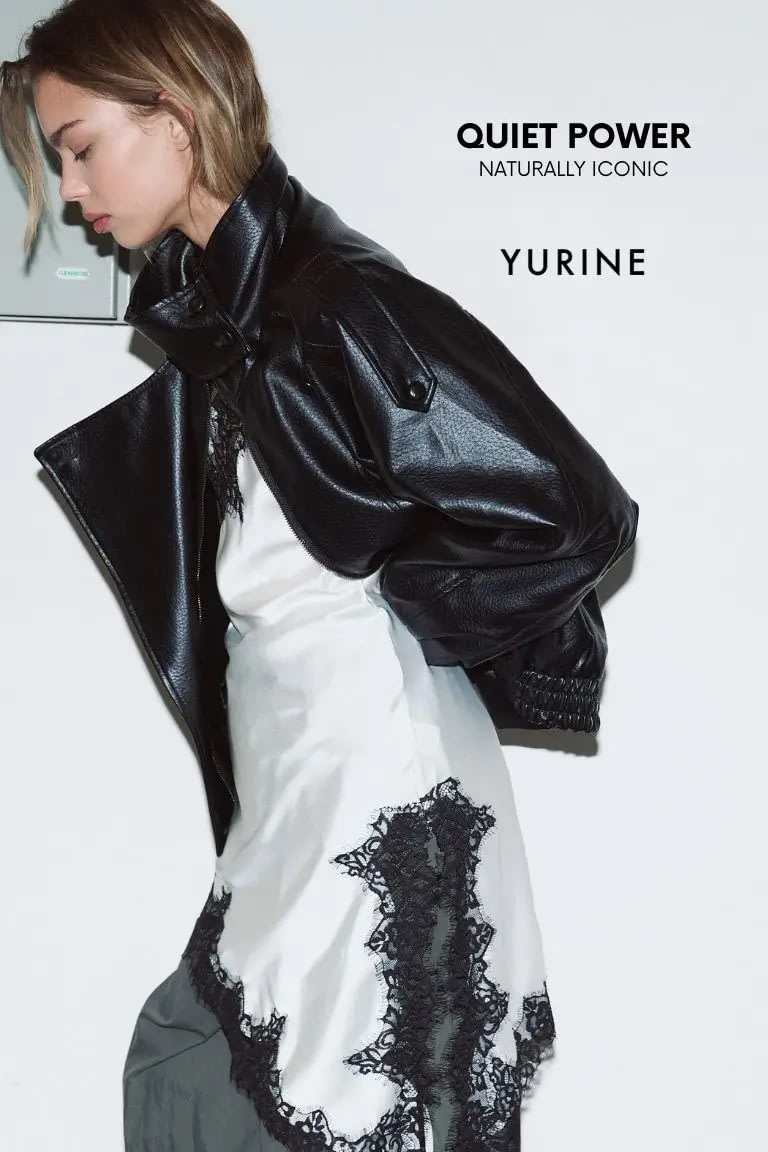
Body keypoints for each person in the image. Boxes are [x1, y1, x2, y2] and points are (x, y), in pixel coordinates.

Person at [1, 2, 639, 1150]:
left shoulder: (335, 302)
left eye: (81, 147)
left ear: (175, 117)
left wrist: (402, 607)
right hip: (301, 781)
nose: (73, 187)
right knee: (207, 1077)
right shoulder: (234, 324)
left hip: (375, 781)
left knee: (279, 1090)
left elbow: (576, 506)